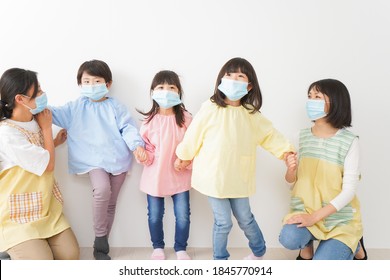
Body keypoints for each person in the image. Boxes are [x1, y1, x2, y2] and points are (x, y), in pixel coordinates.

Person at [175, 57, 294, 260]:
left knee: (245, 218)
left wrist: (286, 152)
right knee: (223, 222)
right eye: (229, 75)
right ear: (221, 80)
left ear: (249, 86)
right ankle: (220, 260)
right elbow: (194, 134)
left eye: (240, 76)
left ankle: (259, 251)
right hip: (213, 177)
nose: (233, 79)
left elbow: (269, 135)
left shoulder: (250, 114)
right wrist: (183, 156)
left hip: (238, 176)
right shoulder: (210, 108)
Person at [49, 60, 146, 260]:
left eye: (97, 81)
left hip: (118, 159)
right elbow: (53, 113)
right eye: (86, 81)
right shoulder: (76, 107)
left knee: (111, 204)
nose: (92, 85)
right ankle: (100, 239)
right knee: (102, 190)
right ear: (80, 84)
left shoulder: (116, 106)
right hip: (92, 161)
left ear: (108, 84)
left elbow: (127, 128)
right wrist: (37, 104)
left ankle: (101, 246)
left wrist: (137, 146)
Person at [279, 78, 367, 260]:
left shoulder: (350, 141)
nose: (311, 101)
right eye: (309, 96)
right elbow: (291, 183)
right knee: (289, 238)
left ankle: (355, 243)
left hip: (339, 220)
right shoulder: (300, 137)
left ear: (336, 102)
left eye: (317, 96)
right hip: (305, 211)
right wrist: (290, 171)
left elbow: (349, 191)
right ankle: (306, 246)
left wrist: (314, 218)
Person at [0, 68, 79, 260]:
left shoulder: (34, 119)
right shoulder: (7, 134)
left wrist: (54, 141)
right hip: (17, 217)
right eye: (38, 92)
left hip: (46, 208)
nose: (42, 95)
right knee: (42, 264)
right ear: (20, 99)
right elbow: (48, 165)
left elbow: (38, 150)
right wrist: (46, 128)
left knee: (71, 255)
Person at [135, 70, 192, 260]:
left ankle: (181, 248)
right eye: (161, 87)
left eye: (171, 87)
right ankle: (158, 246)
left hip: (179, 175)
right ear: (153, 91)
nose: (166, 91)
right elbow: (146, 148)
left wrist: (186, 161)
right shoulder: (149, 121)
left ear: (179, 92)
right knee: (154, 215)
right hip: (155, 176)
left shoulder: (186, 119)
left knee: (183, 215)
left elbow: (194, 146)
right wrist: (143, 155)